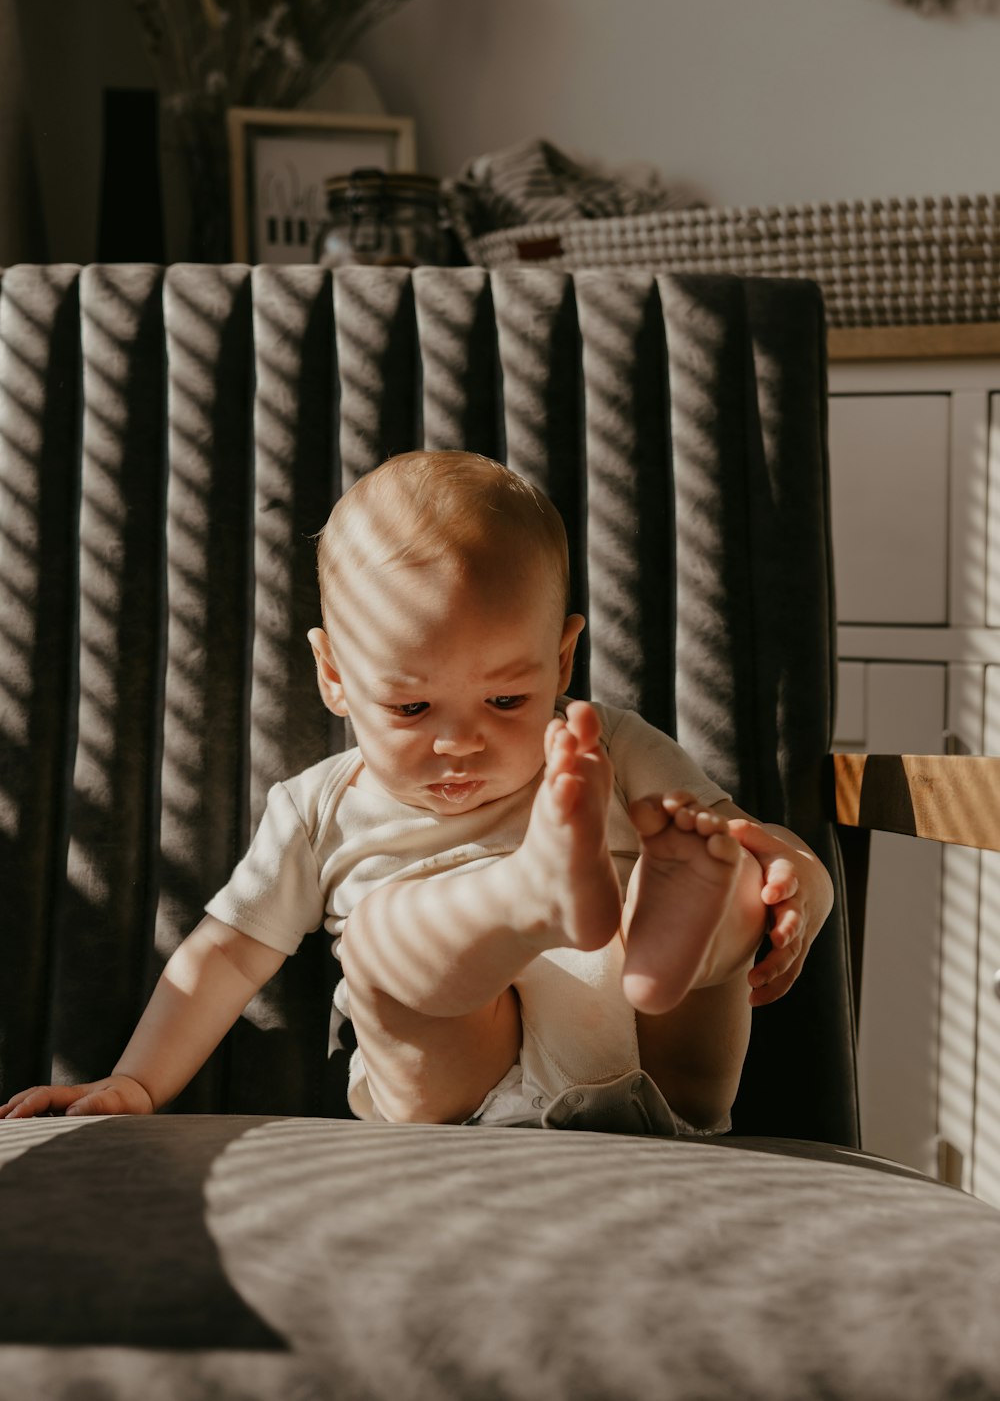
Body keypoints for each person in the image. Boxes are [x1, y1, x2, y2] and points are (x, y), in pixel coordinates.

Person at [0, 451, 833, 1134]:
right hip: (462, 1104)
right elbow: (223, 955)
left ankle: (663, 928)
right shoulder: (321, 804)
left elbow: (742, 836)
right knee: (384, 945)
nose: (459, 740)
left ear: (562, 657)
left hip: (660, 1070)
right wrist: (136, 1084)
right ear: (334, 676)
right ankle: (524, 892)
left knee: (710, 867)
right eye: (409, 707)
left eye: (508, 700)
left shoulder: (601, 741)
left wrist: (798, 880)